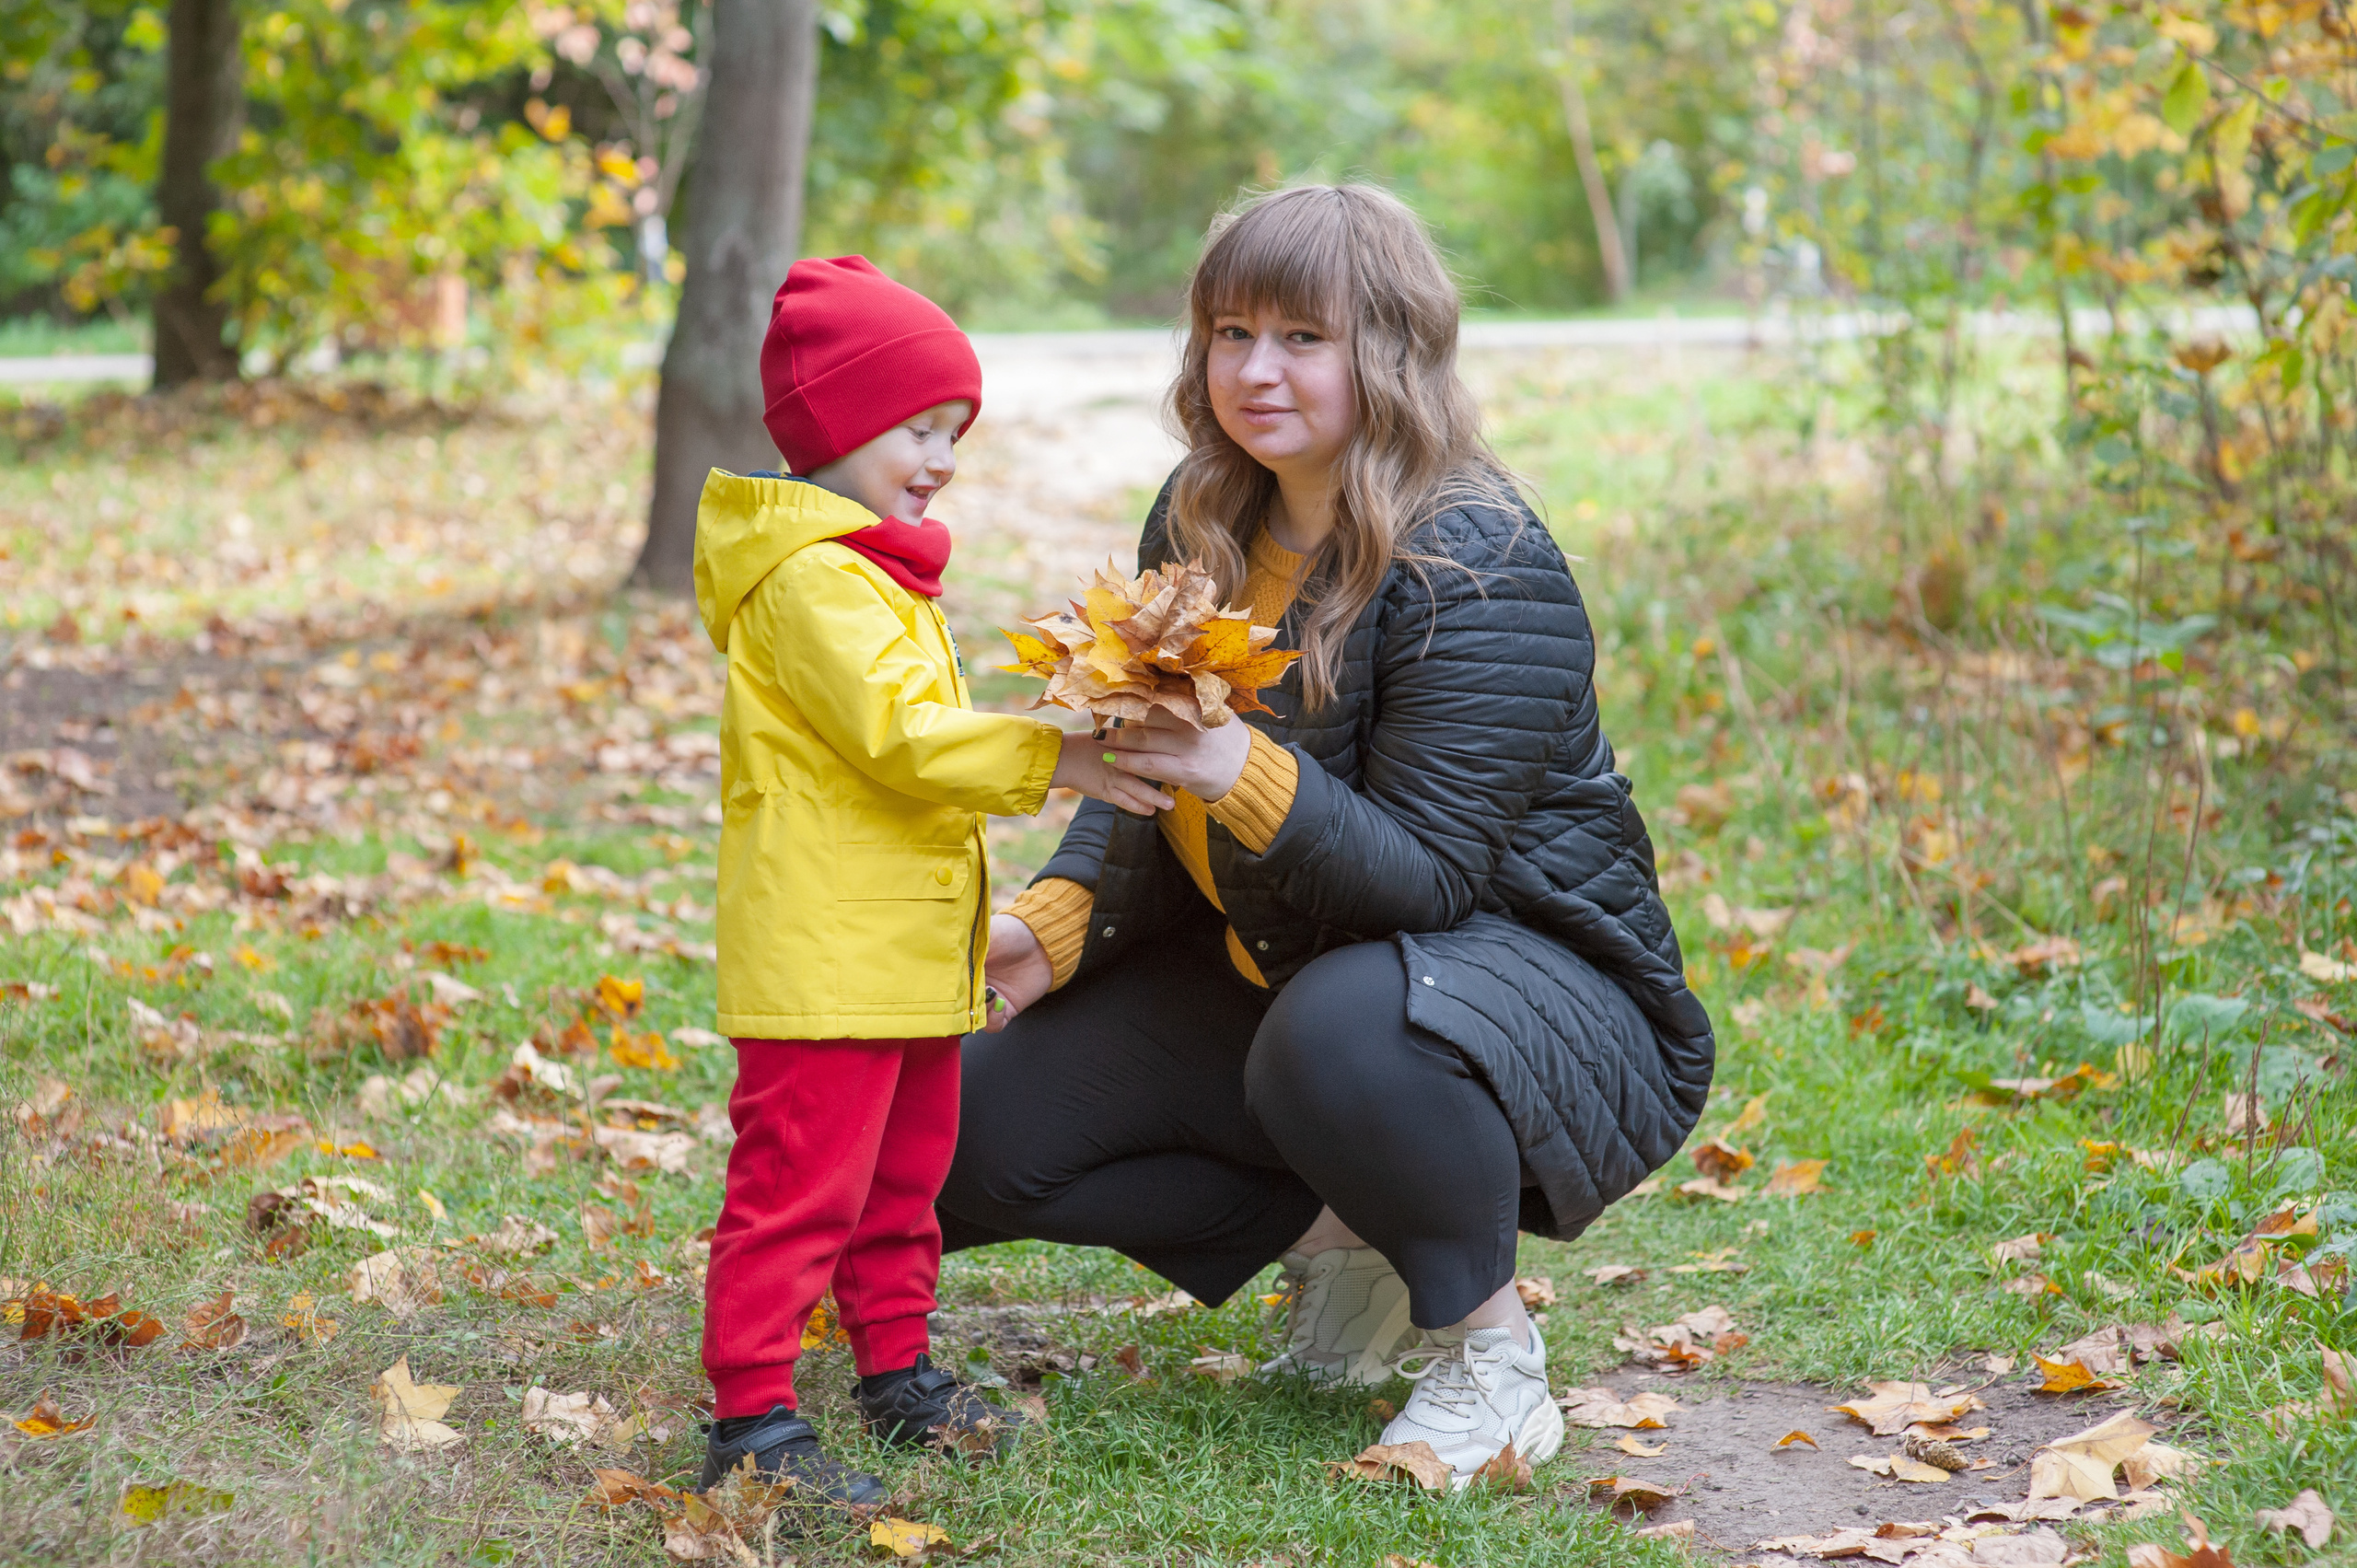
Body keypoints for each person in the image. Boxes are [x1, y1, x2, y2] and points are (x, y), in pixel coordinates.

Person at [937, 186, 1715, 1487]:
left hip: (1524, 985)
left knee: (1342, 1026)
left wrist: (1242, 765)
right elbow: (1148, 771)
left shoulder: (1482, 559)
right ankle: (1357, 1251)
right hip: (1294, 962)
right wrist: (1051, 928)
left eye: (1303, 337)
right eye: (1229, 330)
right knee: (958, 1147)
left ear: (1392, 348)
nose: (1253, 370)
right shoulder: (1202, 516)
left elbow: (1428, 876)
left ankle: (1489, 1357)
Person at [690, 255, 1170, 1504]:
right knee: (799, 1190)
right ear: (837, 424)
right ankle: (751, 1421)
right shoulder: (810, 580)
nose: (942, 455)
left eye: (953, 432)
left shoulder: (874, 569)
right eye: (918, 427)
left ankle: (895, 1371)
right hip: (826, 961)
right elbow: (902, 738)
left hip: (901, 952)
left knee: (904, 1186)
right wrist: (1056, 755)